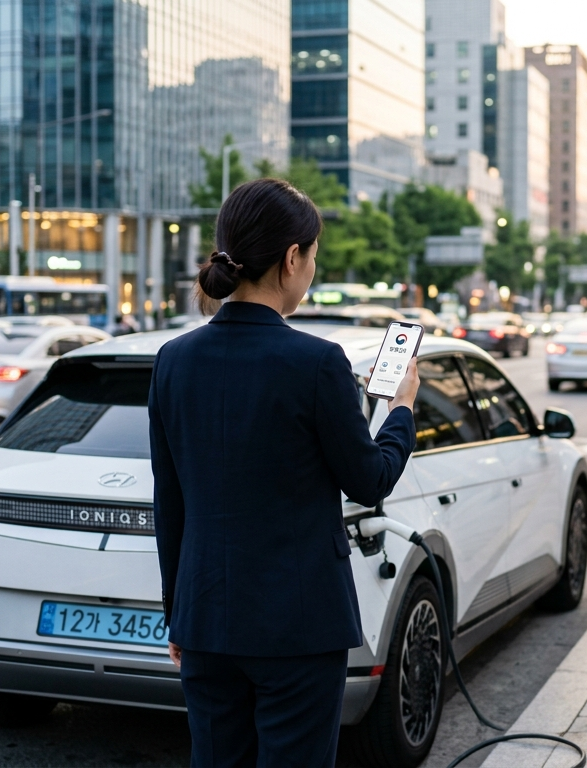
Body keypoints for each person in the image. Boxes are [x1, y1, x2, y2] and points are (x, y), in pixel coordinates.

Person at [148, 178, 419, 767]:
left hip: (205, 621)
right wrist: (400, 409)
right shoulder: (316, 362)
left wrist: (178, 612)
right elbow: (370, 480)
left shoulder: (173, 361)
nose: (312, 270)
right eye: (314, 257)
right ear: (291, 258)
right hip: (297, 628)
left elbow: (168, 503)